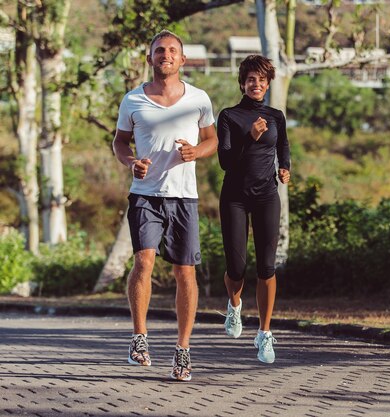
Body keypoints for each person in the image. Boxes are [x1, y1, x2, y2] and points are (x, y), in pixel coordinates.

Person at [112, 30, 218, 381]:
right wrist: (131, 163)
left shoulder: (199, 98)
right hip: (145, 193)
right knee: (143, 261)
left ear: (182, 59)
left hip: (184, 196)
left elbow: (212, 140)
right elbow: (120, 142)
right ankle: (139, 338)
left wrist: (195, 153)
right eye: (159, 50)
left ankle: (183, 350)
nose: (166, 55)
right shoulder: (132, 100)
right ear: (150, 58)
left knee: (184, 272)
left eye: (173, 50)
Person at [217, 55, 291, 364]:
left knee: (266, 266)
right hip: (234, 196)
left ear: (268, 83)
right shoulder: (229, 116)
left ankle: (264, 333)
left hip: (266, 195)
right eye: (250, 79)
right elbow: (225, 161)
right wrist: (250, 137)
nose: (256, 84)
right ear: (242, 83)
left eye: (261, 79)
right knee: (236, 268)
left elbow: (283, 146)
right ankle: (234, 305)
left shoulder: (276, 115)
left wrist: (285, 167)